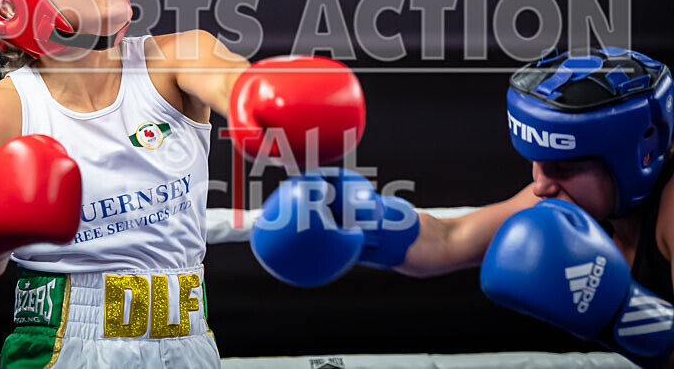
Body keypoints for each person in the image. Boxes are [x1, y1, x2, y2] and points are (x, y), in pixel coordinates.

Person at [0, 0, 366, 368]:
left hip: (191, 339)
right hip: (60, 345)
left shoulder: (177, 57)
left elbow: (232, 81)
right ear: (9, 5)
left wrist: (264, 99)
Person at [251, 47, 674, 366]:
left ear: (641, 154)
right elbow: (450, 240)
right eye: (536, 163)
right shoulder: (566, 195)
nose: (540, 185)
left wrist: (627, 315)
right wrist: (366, 221)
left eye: (562, 166)